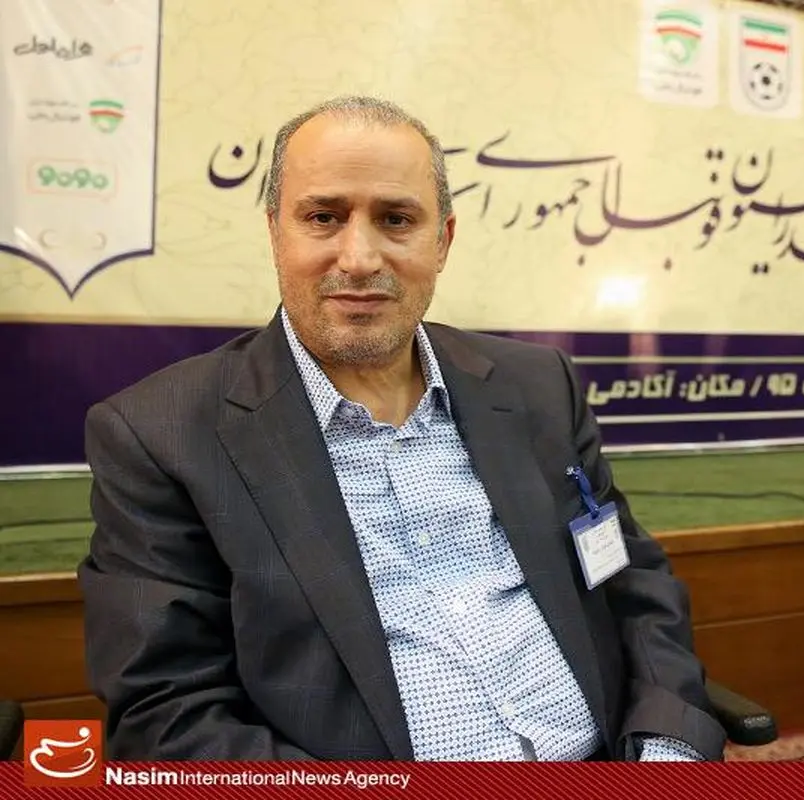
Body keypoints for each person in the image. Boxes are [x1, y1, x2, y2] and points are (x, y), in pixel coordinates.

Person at [77, 95, 725, 762]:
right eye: (323, 218)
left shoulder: (537, 387)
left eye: (396, 220)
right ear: (275, 232)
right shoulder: (162, 436)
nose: (359, 258)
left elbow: (629, 581)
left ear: (442, 241)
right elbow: (168, 715)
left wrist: (665, 750)